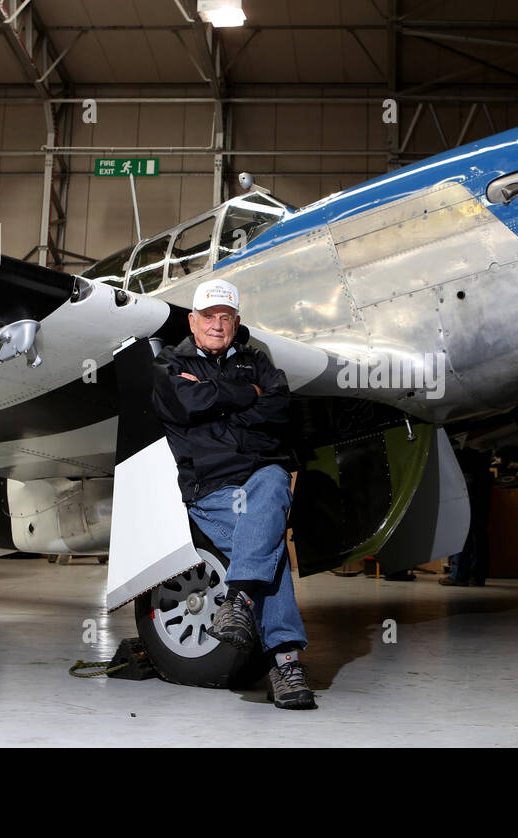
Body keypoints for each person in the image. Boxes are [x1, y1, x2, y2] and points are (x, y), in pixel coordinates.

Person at [150, 278, 315, 710]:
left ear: (236, 321)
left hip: (259, 477)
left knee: (275, 478)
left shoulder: (257, 361)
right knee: (269, 545)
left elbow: (280, 409)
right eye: (208, 317)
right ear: (192, 320)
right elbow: (184, 406)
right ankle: (285, 664)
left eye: (225, 317)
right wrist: (247, 398)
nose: (217, 325)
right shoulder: (170, 363)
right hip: (211, 488)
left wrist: (215, 404)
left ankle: (238, 599)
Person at [439, 446, 492, 587]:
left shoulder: (464, 431)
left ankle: (459, 575)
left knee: (460, 528)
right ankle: (477, 576)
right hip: (483, 476)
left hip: (464, 475)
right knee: (479, 530)